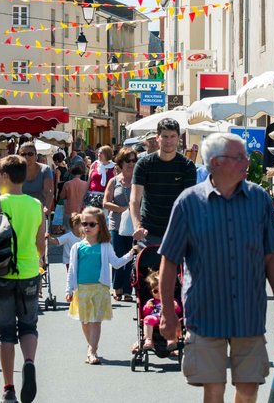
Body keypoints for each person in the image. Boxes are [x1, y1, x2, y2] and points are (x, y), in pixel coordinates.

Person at [159, 133, 274, 403]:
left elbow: (271, 256)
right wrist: (168, 314)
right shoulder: (188, 202)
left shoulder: (259, 199)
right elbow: (169, 261)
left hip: (249, 313)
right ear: (216, 162)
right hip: (206, 313)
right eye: (239, 156)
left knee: (250, 387)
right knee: (213, 389)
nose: (247, 161)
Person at [0, 154, 44, 403]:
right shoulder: (35, 204)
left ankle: (8, 387)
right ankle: (28, 361)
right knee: (29, 326)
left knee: (5, 332)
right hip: (29, 270)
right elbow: (40, 245)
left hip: (2, 272)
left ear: (5, 176)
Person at [65, 206, 136, 365]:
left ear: (100, 226)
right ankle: (91, 346)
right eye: (84, 224)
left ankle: (92, 350)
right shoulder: (77, 247)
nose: (87, 227)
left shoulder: (105, 246)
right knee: (85, 321)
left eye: (91, 224)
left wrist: (131, 253)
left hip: (99, 288)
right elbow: (72, 270)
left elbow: (117, 263)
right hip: (82, 289)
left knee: (96, 321)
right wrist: (69, 289)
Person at [130, 118, 197, 245]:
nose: (169, 141)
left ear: (178, 138)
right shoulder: (144, 164)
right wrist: (137, 226)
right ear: (157, 138)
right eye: (165, 136)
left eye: (172, 136)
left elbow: (190, 201)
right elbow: (134, 199)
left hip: (177, 232)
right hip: (148, 232)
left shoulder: (187, 166)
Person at [103, 147, 136, 301]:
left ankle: (128, 289)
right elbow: (106, 202)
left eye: (134, 160)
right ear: (121, 162)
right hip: (116, 224)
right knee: (117, 255)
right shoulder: (114, 181)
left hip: (134, 225)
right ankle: (117, 287)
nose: (131, 163)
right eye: (128, 160)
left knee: (131, 256)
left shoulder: (139, 180)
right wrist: (122, 209)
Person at [142, 270, 180, 351]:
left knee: (173, 318)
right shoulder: (151, 301)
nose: (159, 293)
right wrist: (147, 307)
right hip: (154, 318)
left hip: (168, 318)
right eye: (156, 291)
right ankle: (148, 339)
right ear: (151, 292)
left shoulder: (171, 300)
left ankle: (172, 339)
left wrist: (176, 307)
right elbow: (145, 313)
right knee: (148, 318)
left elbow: (179, 312)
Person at [19, 142, 54, 213]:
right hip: (21, 211)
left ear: (36, 156)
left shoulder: (45, 169)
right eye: (23, 154)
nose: (26, 157)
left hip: (39, 212)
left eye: (30, 154)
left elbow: (49, 191)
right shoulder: (16, 170)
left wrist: (46, 207)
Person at [59, 164, 88, 229]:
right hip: (82, 210)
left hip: (69, 209)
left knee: (68, 230)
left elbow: (62, 196)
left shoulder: (67, 184)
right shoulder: (85, 184)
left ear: (72, 173)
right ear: (81, 174)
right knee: (81, 230)